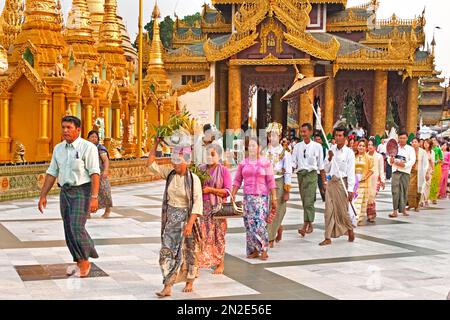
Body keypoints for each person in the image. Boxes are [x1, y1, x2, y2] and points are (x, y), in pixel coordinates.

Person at [38, 116, 100, 278]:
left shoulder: (88, 148)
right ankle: (79, 259)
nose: (65, 130)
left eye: (69, 127)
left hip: (82, 191)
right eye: (63, 127)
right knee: (68, 228)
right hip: (65, 192)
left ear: (78, 130)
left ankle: (86, 258)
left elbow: (94, 173)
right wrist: (43, 195)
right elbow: (52, 173)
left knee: (76, 227)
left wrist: (94, 197)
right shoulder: (58, 149)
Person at [147, 137, 203, 298]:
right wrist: (155, 143)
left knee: (188, 251)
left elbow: (197, 203)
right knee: (167, 251)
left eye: (178, 162)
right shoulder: (170, 174)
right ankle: (168, 285)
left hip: (187, 219)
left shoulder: (194, 179)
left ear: (186, 161)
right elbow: (150, 165)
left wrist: (189, 224)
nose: (175, 164)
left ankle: (189, 280)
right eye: (173, 161)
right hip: (171, 219)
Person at [232, 137, 277, 261]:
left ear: (259, 148)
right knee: (249, 225)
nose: (251, 148)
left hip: (261, 198)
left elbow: (271, 181)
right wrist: (233, 194)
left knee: (259, 224)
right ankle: (253, 250)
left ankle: (264, 249)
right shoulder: (243, 163)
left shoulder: (265, 163)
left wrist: (274, 197)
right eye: (249, 146)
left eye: (254, 145)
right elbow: (237, 180)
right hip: (247, 198)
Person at [198, 144, 232, 275]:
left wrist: (211, 190)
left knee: (218, 235)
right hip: (202, 208)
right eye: (207, 154)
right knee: (203, 234)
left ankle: (220, 264)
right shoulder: (200, 169)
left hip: (217, 208)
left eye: (212, 154)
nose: (209, 157)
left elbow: (227, 191)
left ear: (218, 156)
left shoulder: (223, 170)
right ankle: (202, 261)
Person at [320, 127, 355, 246]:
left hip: (342, 183)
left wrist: (351, 190)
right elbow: (325, 168)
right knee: (328, 210)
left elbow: (351, 172)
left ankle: (349, 229)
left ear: (345, 138)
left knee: (342, 211)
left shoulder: (349, 153)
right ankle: (327, 237)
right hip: (332, 183)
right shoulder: (331, 150)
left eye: (340, 135)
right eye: (336, 135)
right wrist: (329, 158)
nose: (338, 138)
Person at [292, 123, 326, 237]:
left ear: (310, 132)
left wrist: (324, 182)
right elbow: (293, 163)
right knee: (304, 201)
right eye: (301, 132)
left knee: (309, 201)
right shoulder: (297, 147)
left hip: (312, 175)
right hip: (301, 175)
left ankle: (305, 226)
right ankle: (310, 223)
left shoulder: (318, 147)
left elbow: (321, 166)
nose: (303, 134)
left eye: (305, 131)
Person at [262, 123, 292, 248]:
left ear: (279, 136)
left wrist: (287, 190)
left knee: (277, 209)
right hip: (265, 182)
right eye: (270, 135)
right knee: (266, 209)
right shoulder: (264, 151)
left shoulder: (285, 153)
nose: (272, 138)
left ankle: (270, 236)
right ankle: (274, 230)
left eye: (274, 135)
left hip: (278, 181)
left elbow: (288, 171)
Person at [388, 132, 416, 218]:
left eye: (404, 138)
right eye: (400, 138)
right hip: (396, 171)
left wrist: (404, 165)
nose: (402, 140)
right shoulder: (394, 148)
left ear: (407, 139)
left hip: (405, 172)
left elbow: (412, 160)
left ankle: (403, 209)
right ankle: (394, 211)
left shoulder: (410, 149)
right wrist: (391, 161)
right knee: (395, 191)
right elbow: (389, 158)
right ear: (398, 138)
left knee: (404, 190)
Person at [87, 130, 113, 219]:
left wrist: (105, 170)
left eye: (95, 137)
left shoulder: (100, 148)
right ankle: (87, 212)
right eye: (92, 137)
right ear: (88, 138)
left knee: (104, 192)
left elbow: (105, 160)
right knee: (88, 192)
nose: (94, 138)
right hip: (89, 174)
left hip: (100, 174)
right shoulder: (86, 148)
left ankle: (108, 210)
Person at [354, 139, 374, 225]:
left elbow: (371, 169)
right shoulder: (354, 156)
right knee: (357, 200)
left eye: (363, 146)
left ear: (365, 147)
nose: (361, 147)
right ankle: (355, 218)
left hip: (365, 182)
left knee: (363, 201)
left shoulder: (369, 158)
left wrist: (364, 177)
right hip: (355, 182)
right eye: (359, 145)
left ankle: (360, 218)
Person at [407, 138, 428, 212]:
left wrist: (426, 173)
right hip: (410, 172)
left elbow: (426, 163)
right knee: (410, 189)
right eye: (413, 142)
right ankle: (410, 205)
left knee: (419, 189)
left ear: (419, 143)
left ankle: (417, 205)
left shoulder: (423, 152)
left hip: (420, 173)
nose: (414, 143)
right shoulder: (409, 151)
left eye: (416, 142)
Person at [367, 139, 385, 222]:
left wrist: (382, 180)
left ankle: (372, 214)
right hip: (367, 180)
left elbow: (381, 169)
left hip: (376, 180)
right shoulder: (365, 156)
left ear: (375, 146)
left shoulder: (379, 156)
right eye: (369, 145)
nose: (370, 146)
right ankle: (368, 214)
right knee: (368, 197)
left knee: (372, 197)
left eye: (371, 145)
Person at [420, 139, 435, 207]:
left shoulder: (432, 152)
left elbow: (432, 162)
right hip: (422, 170)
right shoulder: (422, 151)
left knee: (427, 186)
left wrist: (432, 170)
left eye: (427, 143)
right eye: (425, 143)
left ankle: (426, 199)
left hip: (429, 170)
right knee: (422, 185)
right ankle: (421, 200)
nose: (425, 144)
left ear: (430, 145)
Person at [429, 137, 443, 204]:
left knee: (436, 182)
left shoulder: (438, 149)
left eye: (434, 140)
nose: (433, 141)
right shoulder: (429, 149)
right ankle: (427, 197)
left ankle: (434, 198)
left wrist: (436, 161)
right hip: (429, 167)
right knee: (429, 182)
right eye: (432, 140)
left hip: (437, 167)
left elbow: (441, 159)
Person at [314, 133, 327, 202]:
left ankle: (325, 199)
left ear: (321, 141)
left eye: (319, 139)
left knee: (322, 187)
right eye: (315, 140)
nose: (317, 141)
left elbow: (326, 161)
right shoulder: (311, 148)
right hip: (313, 171)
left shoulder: (324, 149)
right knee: (312, 188)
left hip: (320, 172)